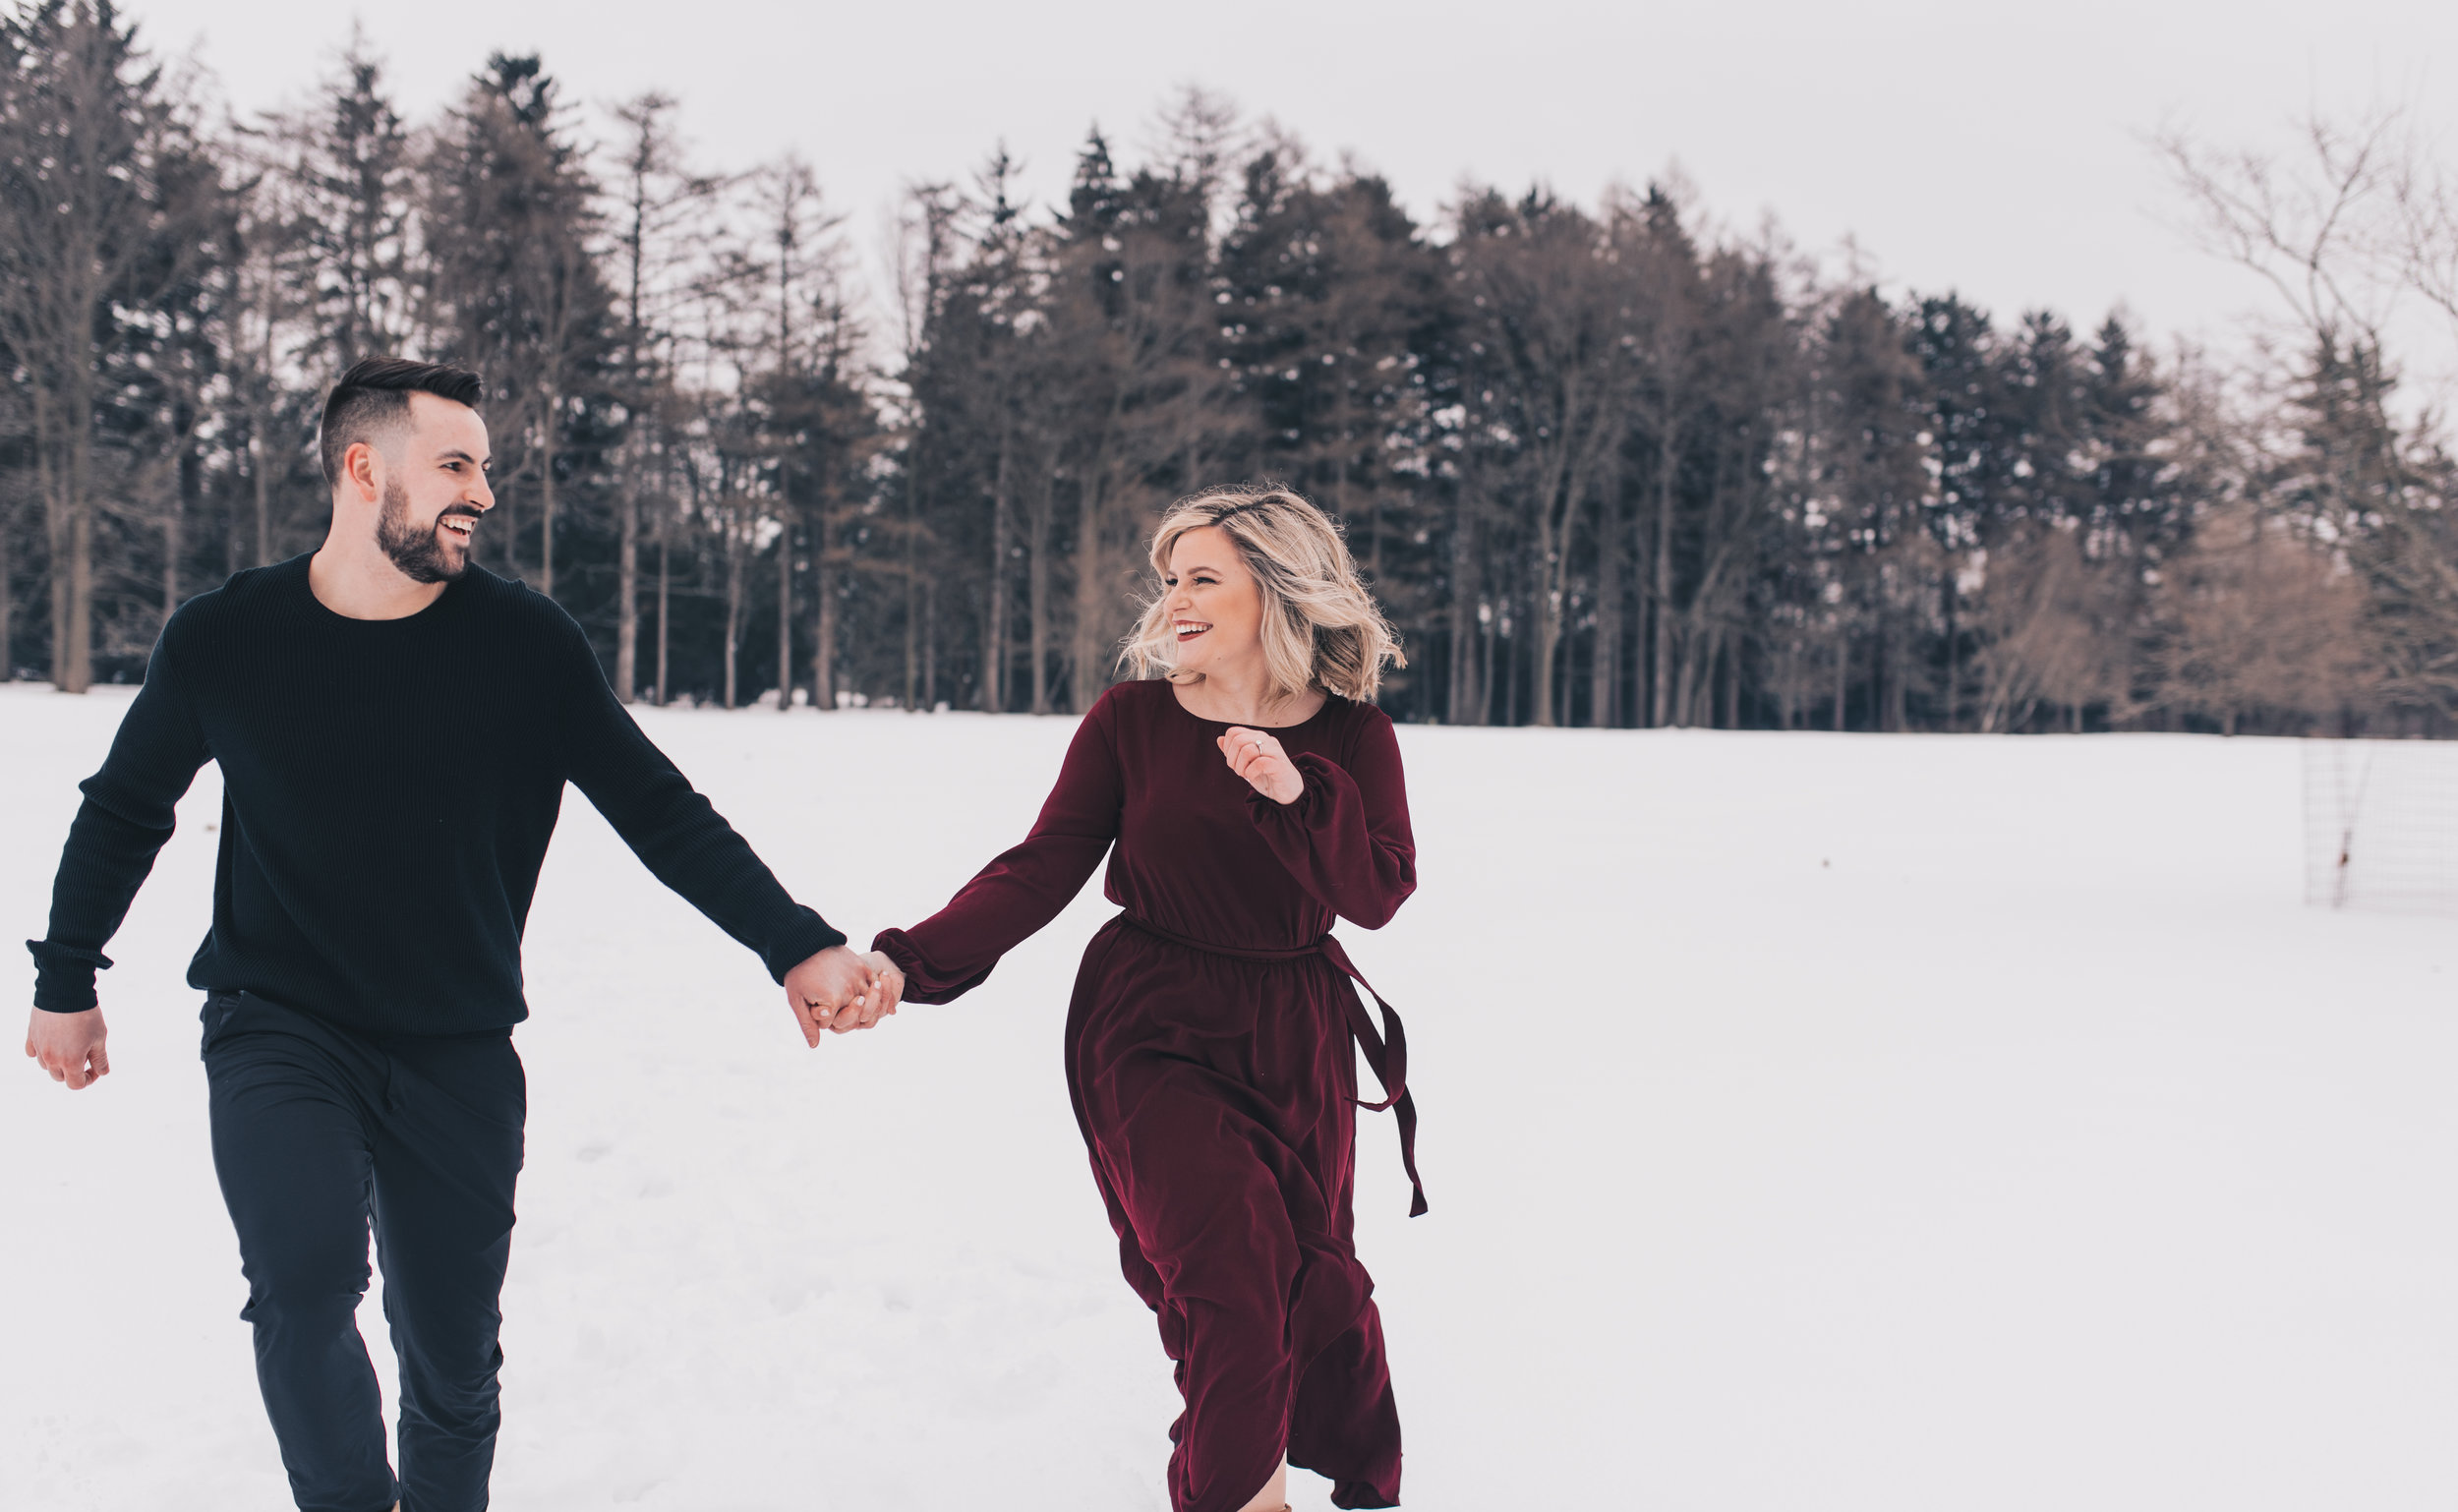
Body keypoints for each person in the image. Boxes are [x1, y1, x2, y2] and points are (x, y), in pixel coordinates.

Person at [22, 357, 895, 1512]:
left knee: (452, 1360)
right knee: (301, 1282)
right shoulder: (226, 637)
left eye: (485, 467)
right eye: (454, 464)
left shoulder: (524, 643)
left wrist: (796, 941)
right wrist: (67, 975)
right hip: (277, 1021)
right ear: (360, 466)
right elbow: (127, 807)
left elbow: (657, 806)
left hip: (458, 1041)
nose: (481, 491)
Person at [869, 485, 1425, 1512]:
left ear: (1277, 588)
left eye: (1202, 576)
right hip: (1148, 1022)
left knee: (1306, 1273)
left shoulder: (1353, 739)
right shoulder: (1133, 720)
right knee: (1231, 1285)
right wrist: (908, 963)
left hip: (1294, 1028)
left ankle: (1311, 1467)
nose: (1174, 597)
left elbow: (1376, 895)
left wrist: (1299, 796)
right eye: (1169, 578)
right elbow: (1039, 868)